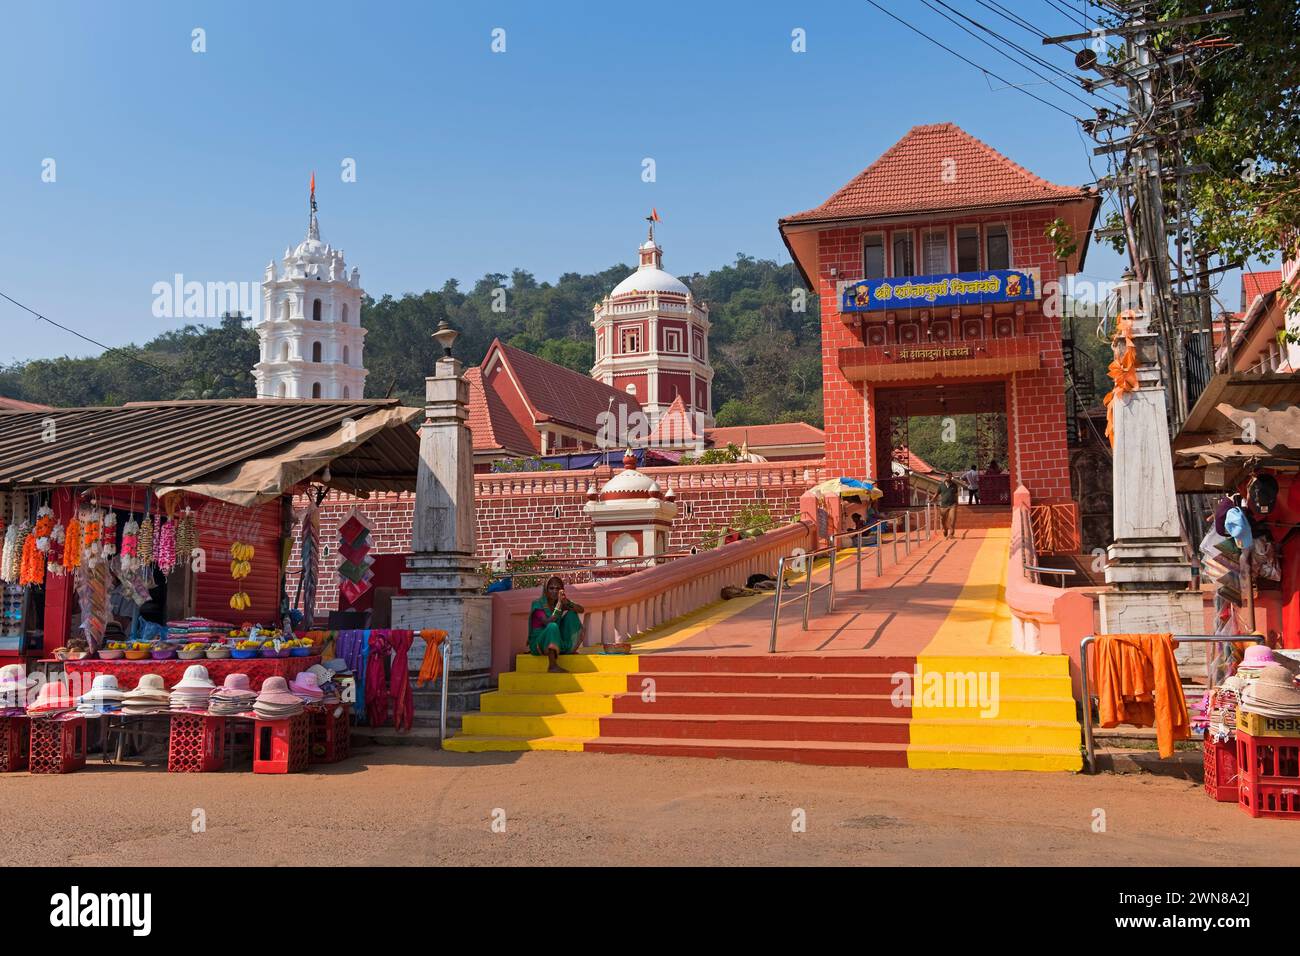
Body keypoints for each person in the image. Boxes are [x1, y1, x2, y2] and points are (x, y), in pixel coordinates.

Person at [528, 576, 585, 673]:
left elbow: (581, 609)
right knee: (552, 626)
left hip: (556, 637)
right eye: (551, 588)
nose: (554, 591)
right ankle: (552, 666)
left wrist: (566, 602)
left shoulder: (560, 602)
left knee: (571, 614)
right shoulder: (537, 604)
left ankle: (567, 649)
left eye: (557, 588)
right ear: (546, 590)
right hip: (539, 642)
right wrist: (559, 605)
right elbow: (548, 622)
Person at [931, 472, 961, 538]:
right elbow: (937, 494)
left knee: (952, 519)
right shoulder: (941, 485)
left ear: (951, 477)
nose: (948, 478)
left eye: (950, 477)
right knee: (943, 520)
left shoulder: (954, 485)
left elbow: (956, 495)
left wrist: (957, 502)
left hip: (952, 505)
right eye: (947, 477)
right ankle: (945, 529)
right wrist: (932, 500)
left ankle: (951, 533)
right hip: (943, 505)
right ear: (945, 477)